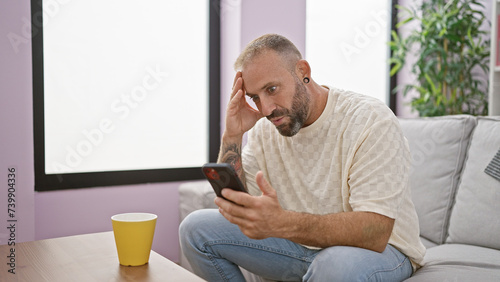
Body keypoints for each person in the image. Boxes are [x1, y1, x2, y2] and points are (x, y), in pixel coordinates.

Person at [179, 33, 425, 281]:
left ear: (302, 71)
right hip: (300, 247)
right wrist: (232, 135)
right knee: (195, 229)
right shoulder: (267, 128)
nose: (266, 109)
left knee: (334, 266)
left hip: (380, 252)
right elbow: (242, 209)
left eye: (271, 89)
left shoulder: (369, 120)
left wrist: (282, 222)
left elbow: (375, 232)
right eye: (255, 97)